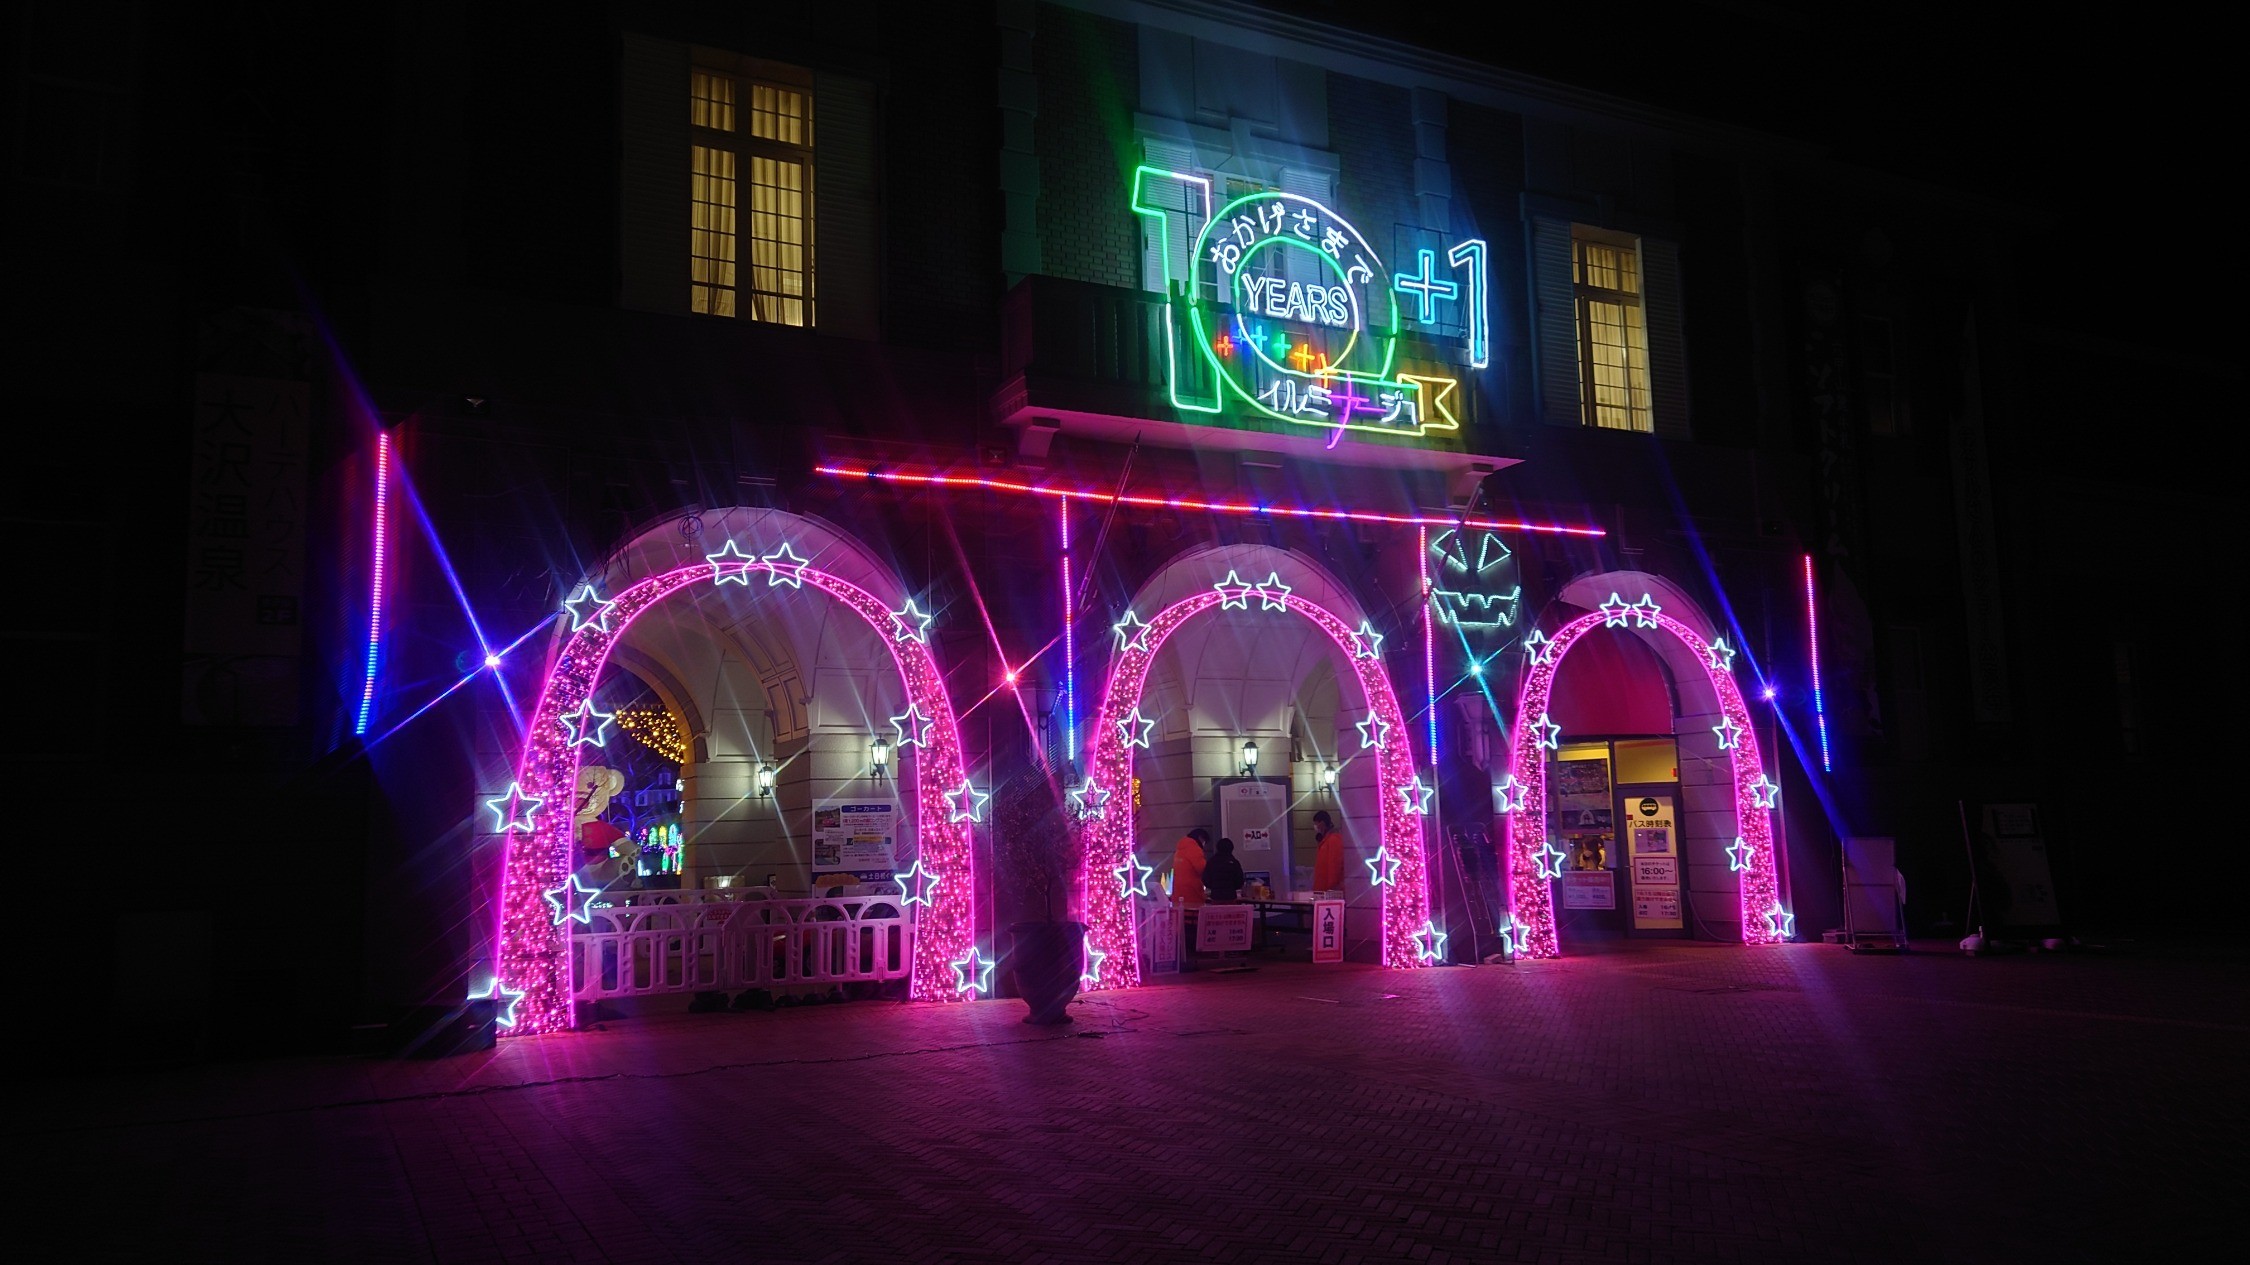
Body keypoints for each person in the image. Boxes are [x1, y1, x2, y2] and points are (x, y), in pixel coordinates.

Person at [1169, 828, 1210, 909]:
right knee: (1193, 918)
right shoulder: (1194, 849)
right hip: (1192, 893)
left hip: (1178, 894)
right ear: (1201, 838)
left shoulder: (1180, 849)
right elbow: (1203, 869)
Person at [1311, 810, 1345, 894]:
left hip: (1328, 891)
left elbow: (1334, 866)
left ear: (1322, 823)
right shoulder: (1326, 840)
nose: (1315, 827)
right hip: (1322, 890)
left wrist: (1331, 888)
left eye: (1316, 824)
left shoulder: (1334, 840)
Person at [1205, 837, 1245, 903]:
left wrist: (1214, 887)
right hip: (1230, 896)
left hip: (1216, 896)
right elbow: (1239, 880)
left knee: (1217, 913)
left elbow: (1206, 879)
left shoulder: (1211, 862)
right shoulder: (1234, 862)